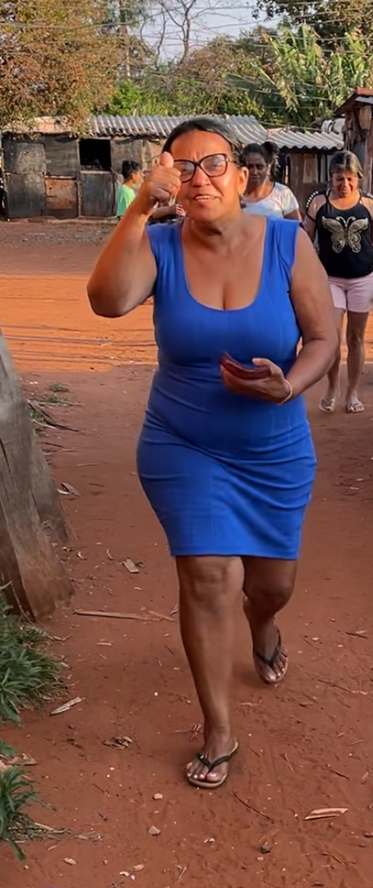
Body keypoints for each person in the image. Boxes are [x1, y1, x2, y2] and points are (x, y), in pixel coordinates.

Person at [87, 116, 339, 791]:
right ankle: (218, 729)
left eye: (214, 163)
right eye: (184, 166)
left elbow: (322, 338)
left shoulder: (287, 241)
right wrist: (141, 206)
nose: (199, 178)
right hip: (183, 442)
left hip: (274, 448)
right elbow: (106, 301)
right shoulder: (160, 244)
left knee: (269, 587)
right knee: (205, 575)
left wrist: (291, 385)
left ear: (242, 172)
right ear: (168, 173)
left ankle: (263, 628)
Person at [303, 150, 373, 415]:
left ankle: (352, 392)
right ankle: (332, 388)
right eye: (338, 179)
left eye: (349, 179)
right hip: (329, 280)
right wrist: (305, 276)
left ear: (358, 178)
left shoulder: (368, 203)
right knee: (332, 339)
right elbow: (305, 241)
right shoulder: (317, 203)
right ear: (330, 179)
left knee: (355, 338)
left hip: (362, 279)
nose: (344, 185)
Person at [241, 141, 302, 220]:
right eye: (250, 166)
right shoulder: (233, 195)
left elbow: (295, 228)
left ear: (268, 167)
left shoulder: (282, 193)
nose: (254, 172)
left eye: (259, 167)